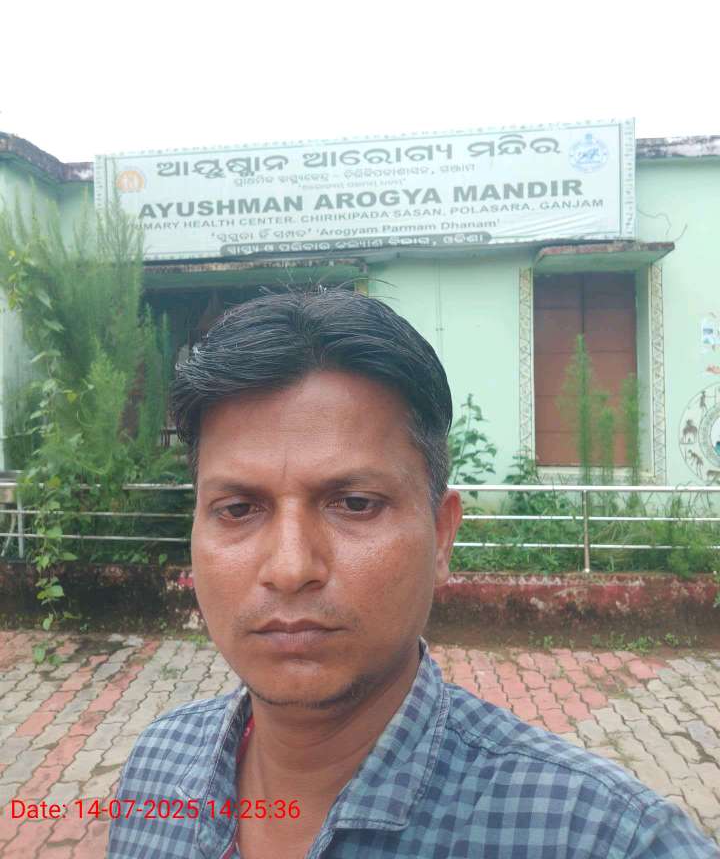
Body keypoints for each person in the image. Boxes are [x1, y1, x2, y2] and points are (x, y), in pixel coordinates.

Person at [107, 287, 719, 858]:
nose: (290, 569)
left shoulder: (603, 839)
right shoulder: (157, 773)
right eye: (239, 509)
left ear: (442, 535)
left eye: (355, 504)